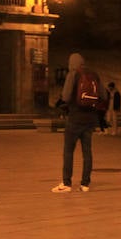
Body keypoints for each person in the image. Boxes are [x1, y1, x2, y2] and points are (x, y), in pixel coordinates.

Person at [53, 52, 101, 192]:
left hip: (75, 119)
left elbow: (66, 97)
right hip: (90, 120)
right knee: (87, 152)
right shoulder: (94, 75)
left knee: (68, 151)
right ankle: (85, 184)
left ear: (71, 64)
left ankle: (66, 183)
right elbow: (102, 95)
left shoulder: (73, 74)